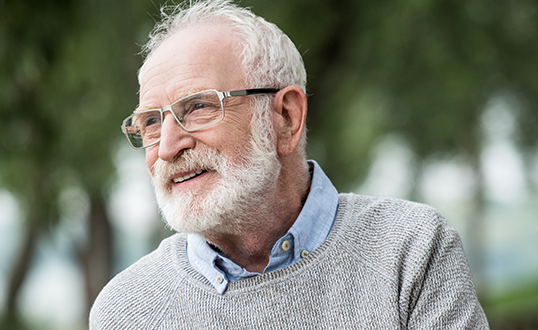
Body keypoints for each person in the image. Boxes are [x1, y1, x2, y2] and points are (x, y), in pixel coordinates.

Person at [90, 0, 489, 328]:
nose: (167, 148)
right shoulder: (125, 311)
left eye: (197, 107)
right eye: (151, 122)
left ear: (286, 119)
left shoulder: (411, 251)